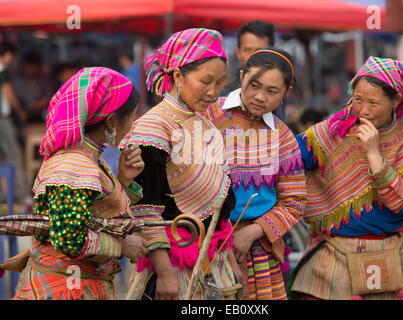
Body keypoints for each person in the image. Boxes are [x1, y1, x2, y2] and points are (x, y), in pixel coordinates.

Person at [288, 56, 403, 300]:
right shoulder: (332, 132)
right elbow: (288, 157)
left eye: (374, 103)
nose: (364, 110)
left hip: (393, 256)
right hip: (334, 258)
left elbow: (401, 205)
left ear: (396, 101)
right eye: (358, 100)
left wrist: (374, 155)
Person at [122, 28, 244, 300]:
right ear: (178, 75)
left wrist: (230, 261)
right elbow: (145, 208)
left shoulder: (206, 126)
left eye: (220, 83)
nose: (213, 92)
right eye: (205, 81)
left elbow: (221, 205)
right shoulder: (153, 128)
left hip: (214, 262)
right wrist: (165, 274)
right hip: (172, 266)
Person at [12, 67, 147, 300]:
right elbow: (68, 238)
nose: (134, 125)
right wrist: (121, 246)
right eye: (132, 117)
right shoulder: (73, 165)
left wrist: (124, 179)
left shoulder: (88, 156)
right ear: (112, 121)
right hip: (65, 290)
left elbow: (95, 214)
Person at [203, 48, 307, 300]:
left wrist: (252, 232)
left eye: (272, 92)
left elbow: (293, 203)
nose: (259, 97)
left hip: (257, 250)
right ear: (241, 76)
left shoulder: (283, 137)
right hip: (204, 243)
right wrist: (221, 234)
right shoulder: (208, 114)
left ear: (286, 93)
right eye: (254, 85)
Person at [0, 41, 28, 203]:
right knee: (14, 157)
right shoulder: (2, 71)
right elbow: (9, 95)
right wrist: (21, 112)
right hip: (3, 121)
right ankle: (22, 196)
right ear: (7, 54)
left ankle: (3, 197)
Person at [11, 50, 53, 124]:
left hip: (39, 115)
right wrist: (20, 109)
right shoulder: (15, 77)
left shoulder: (44, 78)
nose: (32, 70)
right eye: (30, 66)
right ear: (24, 64)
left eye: (35, 67)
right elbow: (11, 95)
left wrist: (31, 107)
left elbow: (48, 98)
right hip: (16, 115)